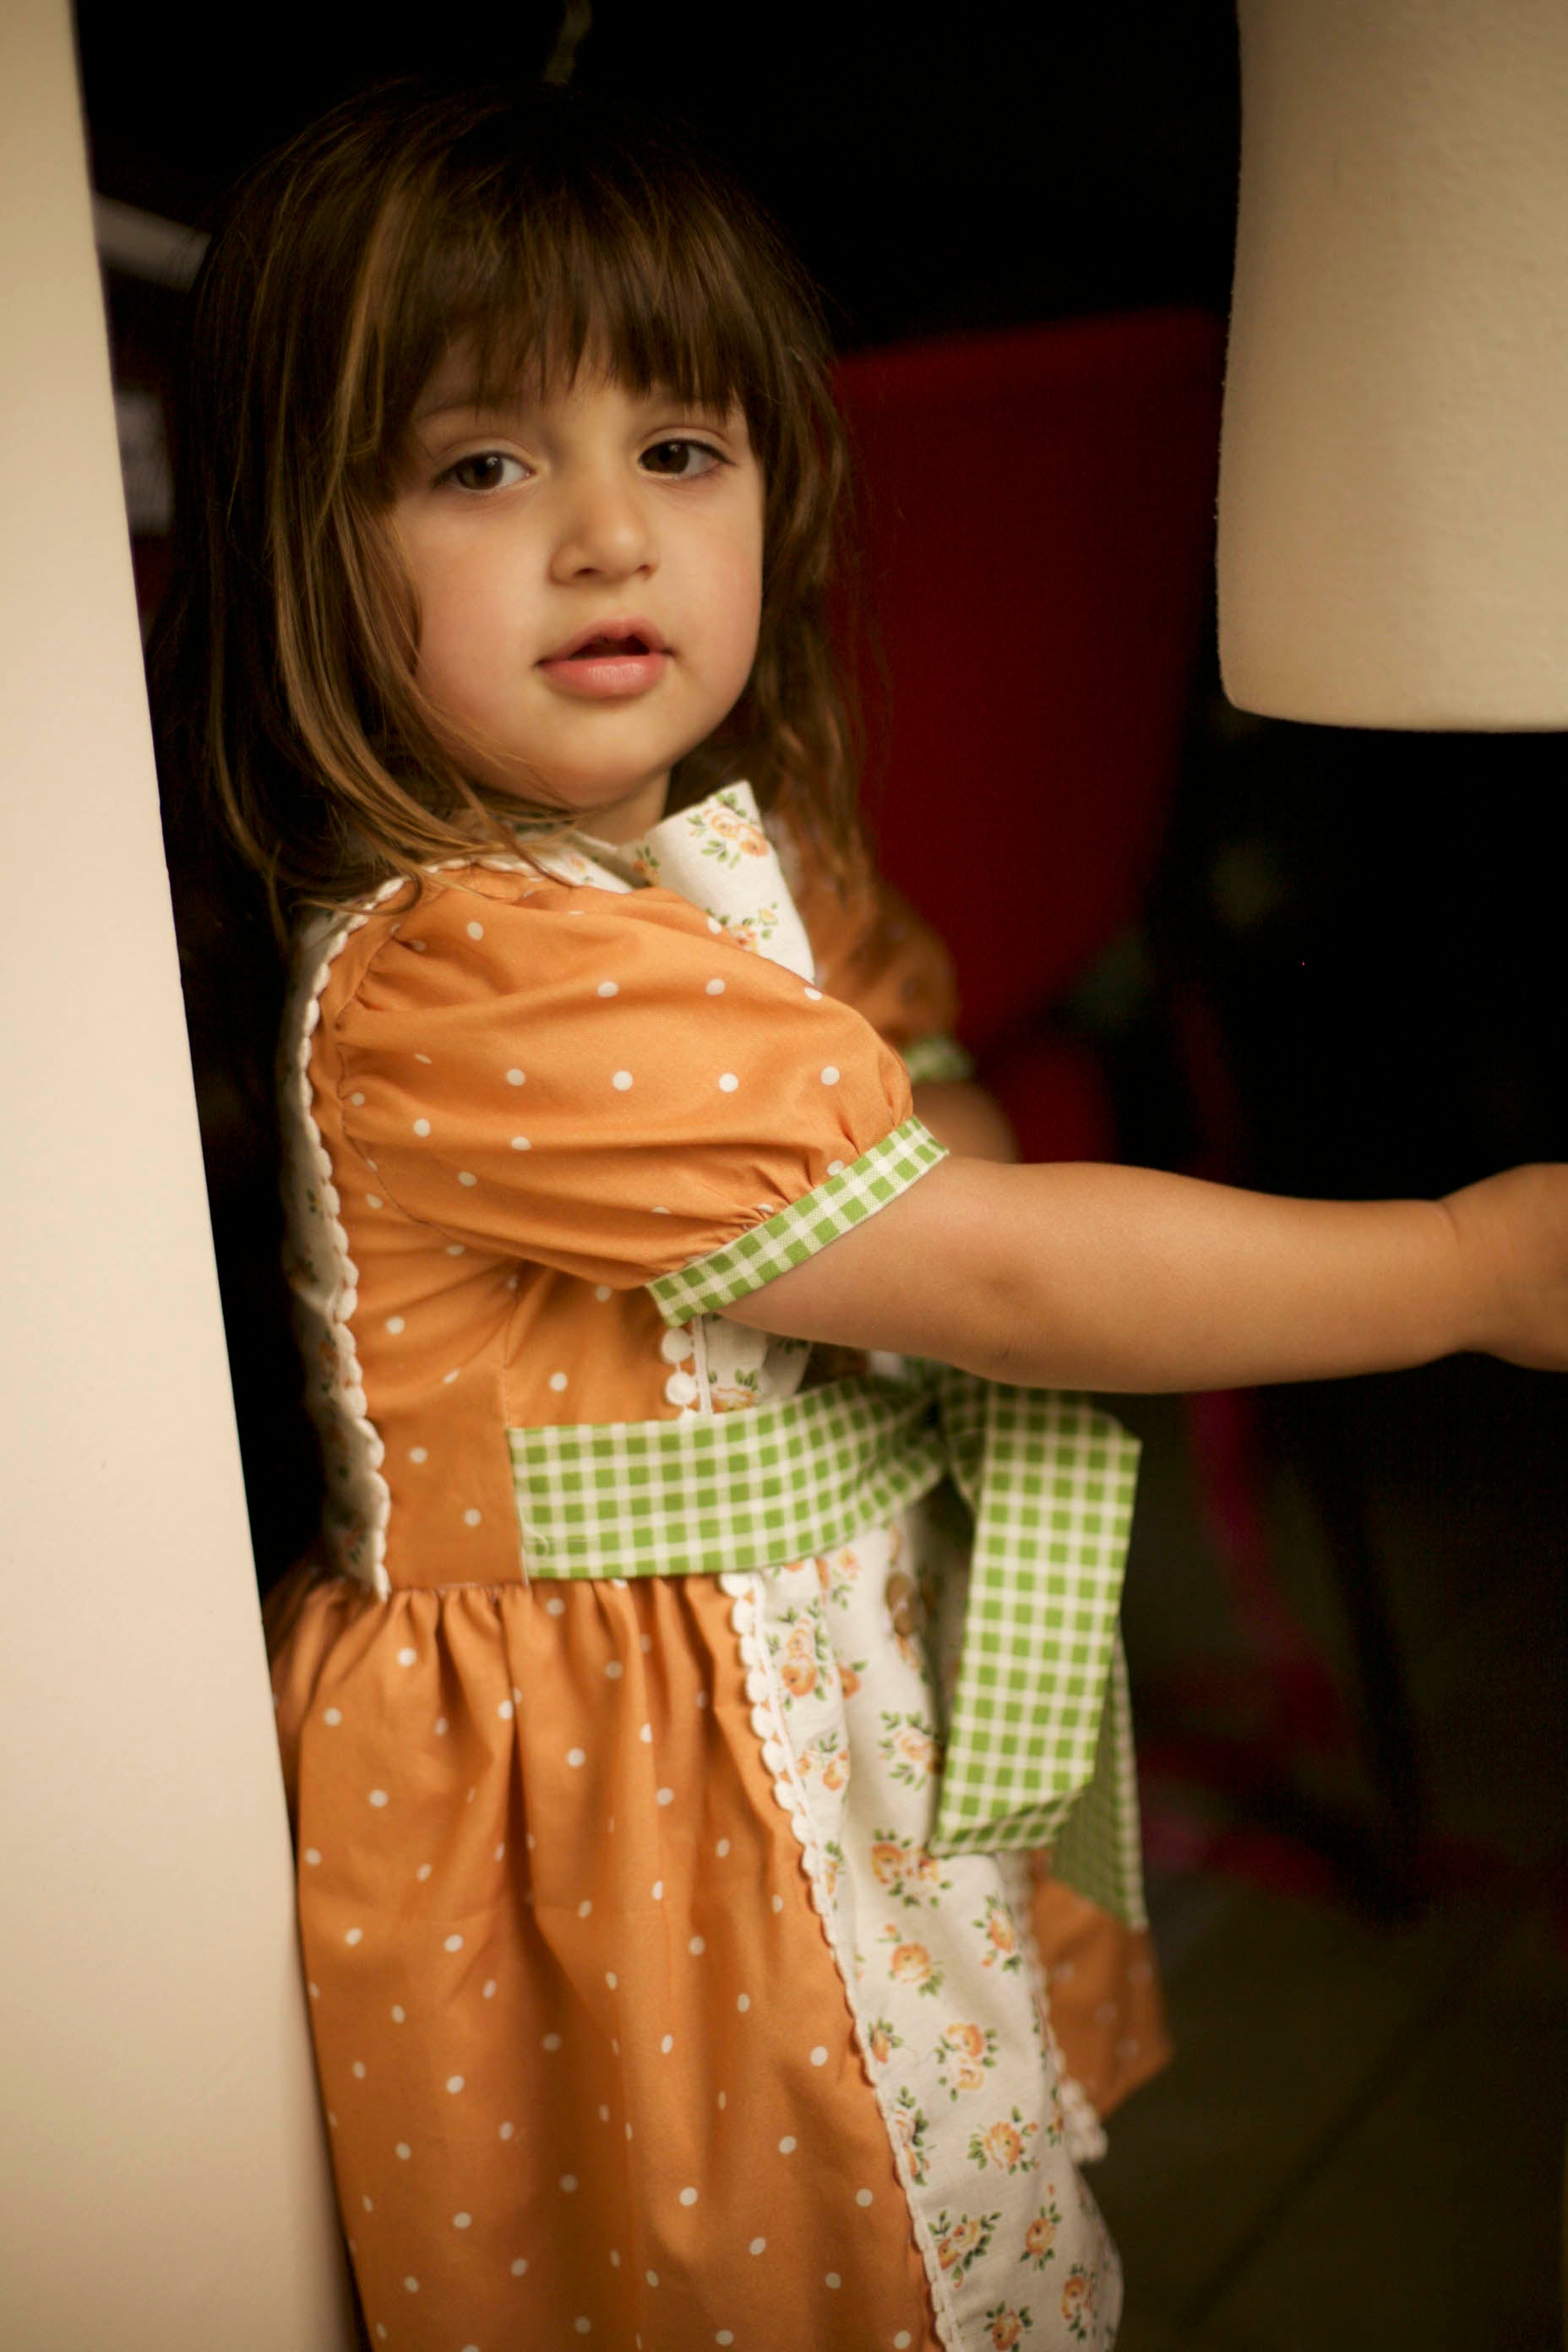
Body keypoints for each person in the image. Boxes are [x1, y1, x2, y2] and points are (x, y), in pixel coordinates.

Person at [148, 75, 1568, 2352]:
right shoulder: (467, 973)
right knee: (802, 2269)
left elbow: (929, 1103)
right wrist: (1473, 1268)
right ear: (306, 541)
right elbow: (982, 1260)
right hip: (636, 1819)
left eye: (676, 449)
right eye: (481, 466)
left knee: (941, 2207)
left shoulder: (733, 858)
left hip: (807, 1708)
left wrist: (934, 1179)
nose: (607, 537)